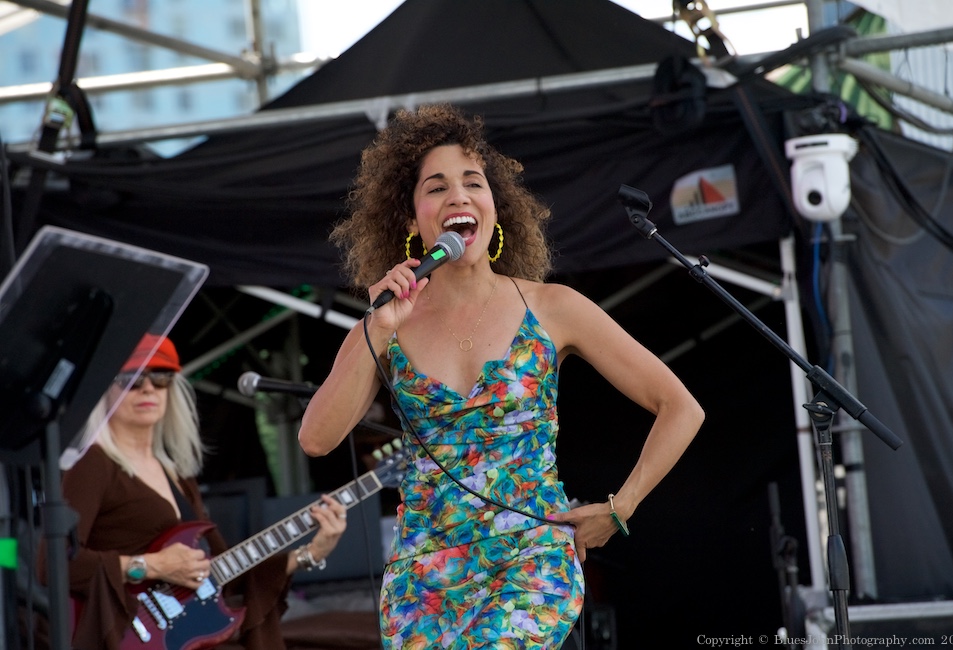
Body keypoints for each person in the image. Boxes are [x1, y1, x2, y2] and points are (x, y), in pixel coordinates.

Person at [297, 103, 705, 649]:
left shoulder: (552, 307)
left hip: (530, 561)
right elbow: (316, 440)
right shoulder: (385, 325)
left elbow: (680, 407)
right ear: (411, 219)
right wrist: (380, 326)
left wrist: (621, 507)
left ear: (495, 207)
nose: (459, 196)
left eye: (474, 183)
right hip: (424, 574)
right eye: (437, 187)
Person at [38, 334, 348, 650]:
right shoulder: (92, 463)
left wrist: (310, 553)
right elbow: (52, 563)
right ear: (105, 391)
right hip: (124, 635)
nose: (148, 388)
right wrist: (152, 565)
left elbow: (222, 572)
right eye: (131, 380)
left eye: (161, 378)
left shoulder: (177, 473)